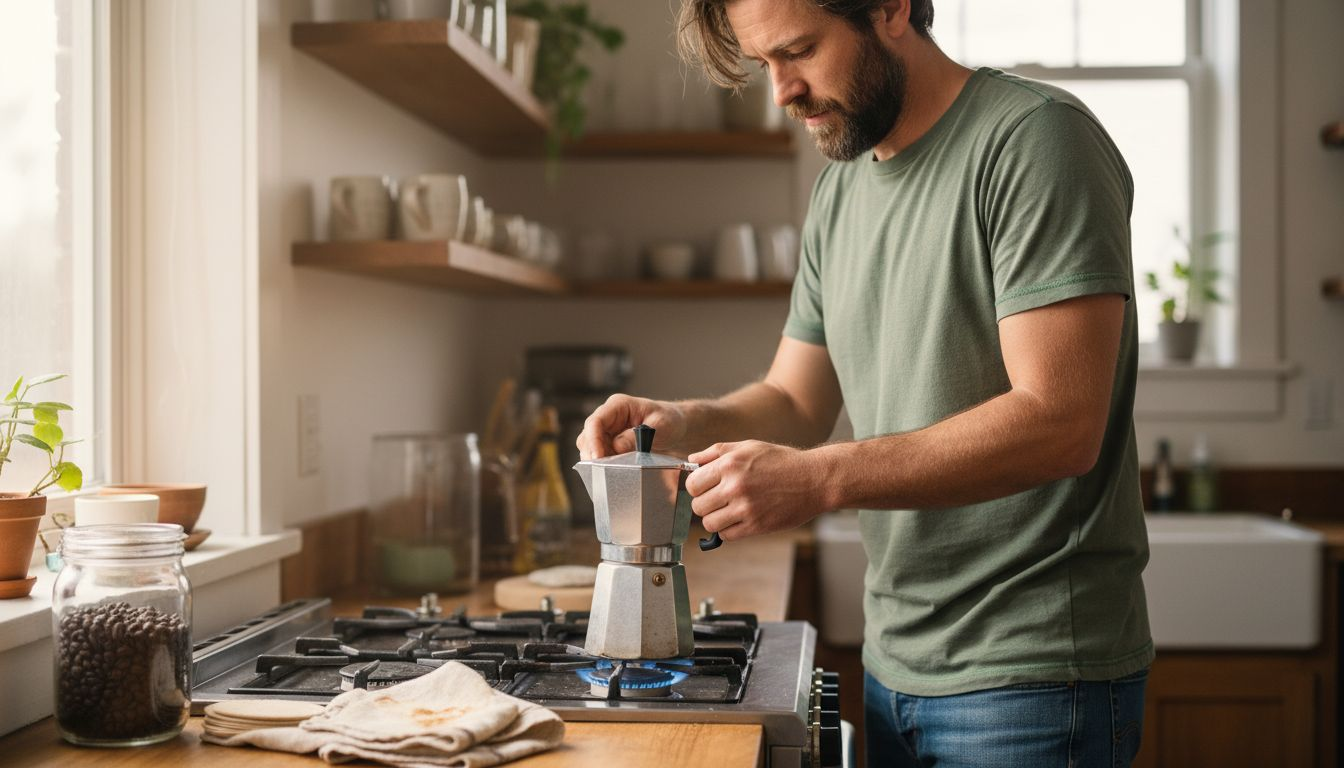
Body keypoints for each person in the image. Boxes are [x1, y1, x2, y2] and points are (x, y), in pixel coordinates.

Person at [576, 0, 1153, 765]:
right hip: (891, 660)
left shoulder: (1037, 141)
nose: (782, 91)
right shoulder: (839, 193)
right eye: (763, 65)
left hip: (1036, 677)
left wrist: (817, 481)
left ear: (891, 10)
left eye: (801, 51)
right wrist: (682, 420)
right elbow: (796, 401)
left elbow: (1061, 422)